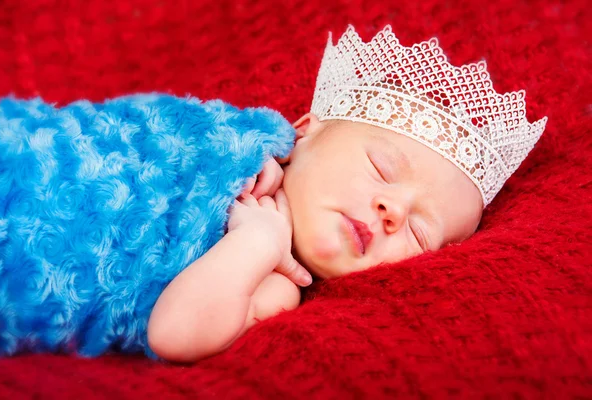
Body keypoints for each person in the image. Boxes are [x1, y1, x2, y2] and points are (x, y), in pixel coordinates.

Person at [147, 25, 548, 362]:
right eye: (381, 168)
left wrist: (258, 241)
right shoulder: (246, 146)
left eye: (420, 232)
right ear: (302, 133)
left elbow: (173, 334)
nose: (394, 210)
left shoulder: (273, 285)